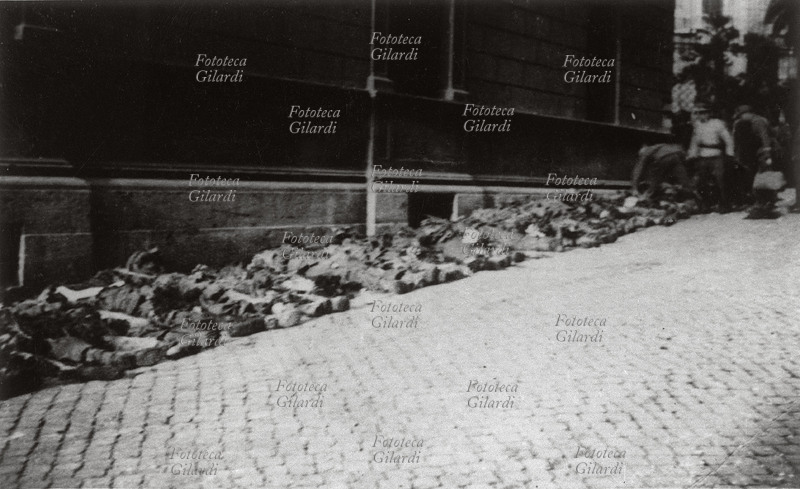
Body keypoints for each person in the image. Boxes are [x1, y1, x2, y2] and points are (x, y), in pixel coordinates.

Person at [732, 105, 780, 218]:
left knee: (764, 174)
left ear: (748, 113)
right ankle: (768, 199)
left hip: (765, 149)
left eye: (741, 115)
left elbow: (765, 137)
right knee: (763, 174)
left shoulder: (758, 121)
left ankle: (767, 200)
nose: (741, 118)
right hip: (761, 149)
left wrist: (767, 152)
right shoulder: (752, 121)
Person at [687, 104, 735, 212]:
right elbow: (695, 142)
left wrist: (730, 154)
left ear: (709, 113)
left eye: (704, 112)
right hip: (702, 156)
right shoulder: (697, 125)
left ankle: (725, 204)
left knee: (720, 180)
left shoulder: (717, 124)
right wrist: (692, 154)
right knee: (702, 181)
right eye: (699, 113)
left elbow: (728, 140)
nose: (701, 115)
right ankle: (706, 205)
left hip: (716, 155)